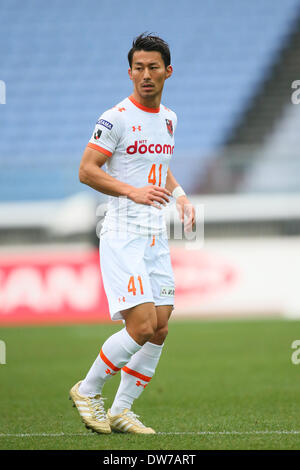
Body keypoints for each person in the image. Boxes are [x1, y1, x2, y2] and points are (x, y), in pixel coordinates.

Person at [69, 33, 195, 434]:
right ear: (129, 72)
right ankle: (88, 389)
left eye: (153, 67)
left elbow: (162, 162)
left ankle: (122, 410)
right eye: (138, 68)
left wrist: (180, 195)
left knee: (160, 326)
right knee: (140, 326)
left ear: (167, 72)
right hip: (123, 233)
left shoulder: (169, 118)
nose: (145, 74)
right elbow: (87, 169)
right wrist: (131, 191)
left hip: (155, 233)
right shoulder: (116, 118)